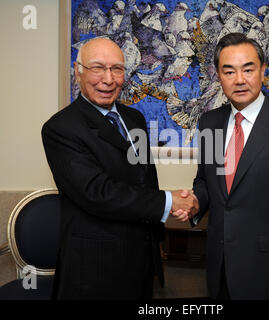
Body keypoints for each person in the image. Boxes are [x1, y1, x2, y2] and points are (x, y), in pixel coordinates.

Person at [42, 37, 197, 299]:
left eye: (117, 69)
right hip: (94, 270)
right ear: (78, 72)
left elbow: (144, 180)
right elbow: (97, 193)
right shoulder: (61, 128)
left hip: (141, 263)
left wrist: (157, 235)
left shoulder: (134, 119)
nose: (108, 78)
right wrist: (169, 202)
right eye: (97, 68)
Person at [179, 33, 269, 300]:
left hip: (267, 269)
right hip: (218, 266)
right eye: (229, 71)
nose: (239, 80)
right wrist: (195, 202)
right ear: (218, 76)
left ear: (263, 70)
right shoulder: (209, 122)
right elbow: (206, 181)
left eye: (248, 69)